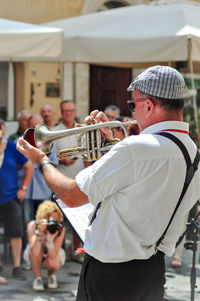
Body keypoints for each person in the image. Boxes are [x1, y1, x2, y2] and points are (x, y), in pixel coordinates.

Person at [17, 65, 200, 301]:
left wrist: (41, 160)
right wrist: (115, 144)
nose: (132, 112)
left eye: (133, 105)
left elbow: (71, 196)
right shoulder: (193, 154)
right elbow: (139, 187)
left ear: (149, 105)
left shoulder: (135, 149)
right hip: (152, 273)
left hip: (109, 274)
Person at [53, 100, 88, 261]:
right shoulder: (55, 131)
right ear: (61, 112)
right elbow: (51, 157)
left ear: (74, 111)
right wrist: (61, 161)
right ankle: (58, 253)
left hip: (79, 180)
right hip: (61, 181)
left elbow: (88, 153)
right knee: (60, 219)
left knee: (78, 219)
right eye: (65, 111)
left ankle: (77, 251)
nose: (68, 113)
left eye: (70, 110)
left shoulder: (82, 129)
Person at [0, 119, 33, 280]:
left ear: (3, 130)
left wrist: (24, 188)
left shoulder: (12, 147)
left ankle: (17, 266)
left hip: (11, 196)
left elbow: (29, 166)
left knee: (15, 233)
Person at [23, 200, 66, 291]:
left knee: (53, 261)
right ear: (42, 218)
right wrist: (40, 233)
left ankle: (51, 275)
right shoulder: (33, 225)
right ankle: (37, 278)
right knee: (36, 251)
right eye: (50, 220)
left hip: (53, 253)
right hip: (35, 254)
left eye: (56, 220)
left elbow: (53, 255)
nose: (53, 223)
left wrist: (50, 240)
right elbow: (34, 251)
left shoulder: (60, 229)